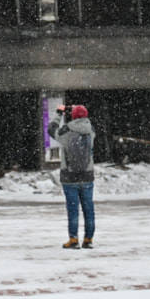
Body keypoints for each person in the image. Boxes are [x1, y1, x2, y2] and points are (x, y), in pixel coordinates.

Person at [48, 104, 95, 249]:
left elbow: (51, 129)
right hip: (87, 177)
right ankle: (88, 239)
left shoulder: (66, 131)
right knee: (88, 209)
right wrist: (78, 110)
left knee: (73, 209)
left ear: (73, 116)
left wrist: (59, 113)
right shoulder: (91, 131)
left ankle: (73, 240)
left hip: (70, 177)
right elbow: (83, 120)